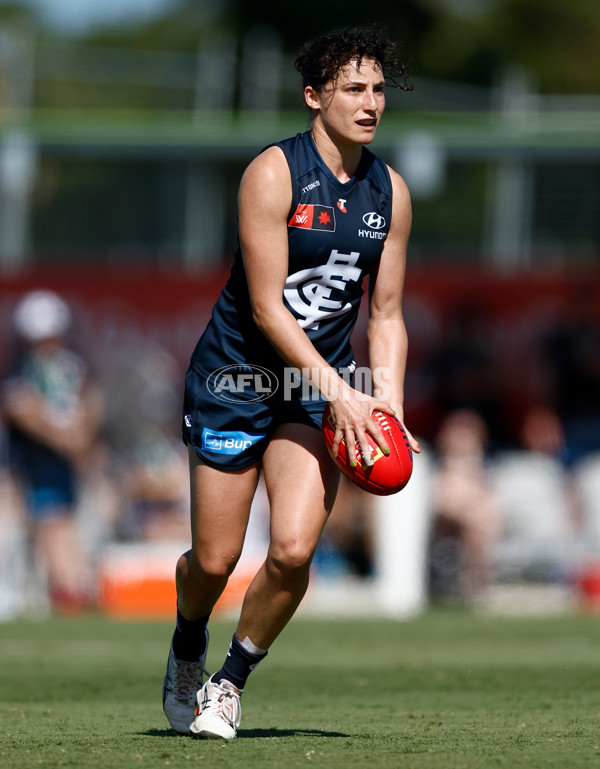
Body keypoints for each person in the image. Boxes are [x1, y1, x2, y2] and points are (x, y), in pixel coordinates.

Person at [162, 26, 420, 740]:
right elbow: (268, 306)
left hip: (315, 392)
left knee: (295, 547)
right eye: (352, 89)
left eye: (377, 90)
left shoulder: (390, 192)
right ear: (315, 96)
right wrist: (342, 391)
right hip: (235, 377)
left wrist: (385, 399)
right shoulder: (273, 173)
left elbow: (388, 314)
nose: (370, 104)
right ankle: (188, 641)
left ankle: (229, 682)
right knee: (214, 559)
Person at [1, 289, 104, 612]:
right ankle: (68, 587)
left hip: (66, 469)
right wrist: (68, 437)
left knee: (66, 522)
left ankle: (75, 585)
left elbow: (91, 406)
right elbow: (23, 412)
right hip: (31, 468)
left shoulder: (75, 368)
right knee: (52, 520)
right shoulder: (20, 374)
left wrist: (78, 434)